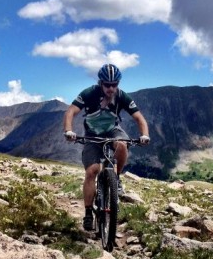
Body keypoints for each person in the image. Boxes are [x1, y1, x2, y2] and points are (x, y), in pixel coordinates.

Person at [63, 64, 150, 231]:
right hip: (92, 134)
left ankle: (115, 178)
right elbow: (70, 112)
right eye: (107, 85)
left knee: (122, 145)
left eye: (114, 84)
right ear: (100, 83)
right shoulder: (89, 93)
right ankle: (88, 213)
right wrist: (68, 130)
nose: (111, 88)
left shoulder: (121, 96)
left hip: (112, 131)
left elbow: (139, 118)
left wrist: (144, 135)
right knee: (92, 171)